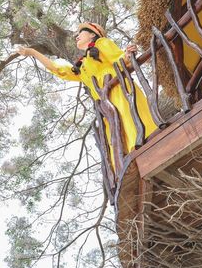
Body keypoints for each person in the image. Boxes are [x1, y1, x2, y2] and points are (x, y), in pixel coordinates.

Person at [17, 22, 157, 173]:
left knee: (131, 121)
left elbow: (119, 59)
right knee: (117, 133)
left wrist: (127, 55)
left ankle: (147, 148)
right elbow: (58, 69)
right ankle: (127, 164)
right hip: (106, 104)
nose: (76, 36)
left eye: (80, 32)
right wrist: (32, 52)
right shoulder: (82, 65)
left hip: (119, 91)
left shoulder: (101, 43)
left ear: (92, 34)